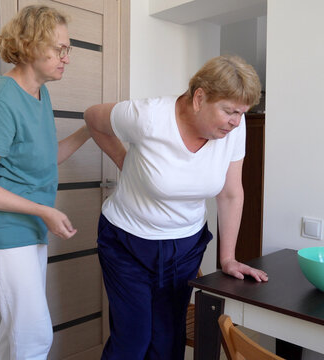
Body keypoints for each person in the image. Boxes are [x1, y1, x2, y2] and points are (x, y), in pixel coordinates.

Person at [84, 55, 269, 360]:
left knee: (168, 341)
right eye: (229, 111)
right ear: (199, 98)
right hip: (127, 242)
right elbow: (92, 117)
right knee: (133, 340)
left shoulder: (235, 127)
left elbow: (231, 193)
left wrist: (228, 258)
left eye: (241, 113)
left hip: (184, 246)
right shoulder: (147, 116)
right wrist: (124, 160)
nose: (236, 121)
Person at [0, 5, 90, 359]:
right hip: (4, 233)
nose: (67, 57)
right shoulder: (1, 99)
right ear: (31, 45)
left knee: (16, 334)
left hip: (29, 228)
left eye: (68, 49)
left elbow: (43, 158)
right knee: (33, 337)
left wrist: (89, 130)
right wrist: (42, 210)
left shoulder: (39, 94)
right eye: (60, 48)